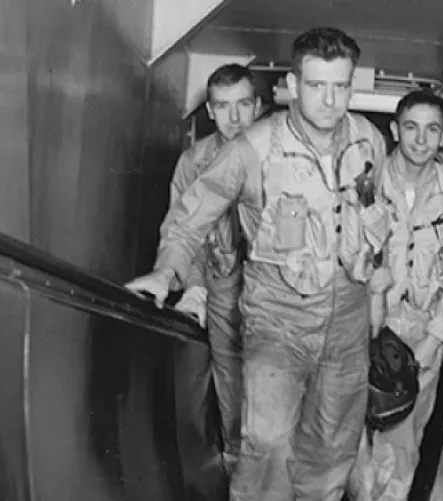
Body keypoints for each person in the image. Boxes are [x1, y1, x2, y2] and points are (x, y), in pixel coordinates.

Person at [126, 27, 391, 501]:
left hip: (347, 321)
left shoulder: (369, 140)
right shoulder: (253, 148)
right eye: (316, 85)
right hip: (278, 317)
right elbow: (193, 214)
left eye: (340, 86)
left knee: (332, 447)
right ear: (292, 84)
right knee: (266, 443)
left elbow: (377, 216)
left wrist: (378, 292)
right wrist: (168, 271)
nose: (330, 100)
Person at [348, 89, 443, 501]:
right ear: (395, 130)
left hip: (422, 336)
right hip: (364, 330)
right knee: (351, 444)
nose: (421, 140)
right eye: (411, 127)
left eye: (432, 130)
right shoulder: (365, 185)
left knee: (404, 447)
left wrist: (437, 333)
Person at [168, 63, 262, 478]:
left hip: (276, 294)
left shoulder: (279, 154)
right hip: (223, 287)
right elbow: (182, 228)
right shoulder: (193, 162)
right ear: (209, 110)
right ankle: (239, 477)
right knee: (231, 385)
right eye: (223, 107)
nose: (235, 118)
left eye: (243, 104)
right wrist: (193, 288)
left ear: (258, 106)